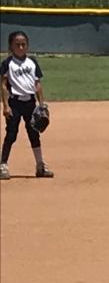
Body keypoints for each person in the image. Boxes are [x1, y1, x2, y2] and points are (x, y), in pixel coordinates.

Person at [1, 31, 53, 180]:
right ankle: (3, 165)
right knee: (11, 134)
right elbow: (3, 85)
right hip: (14, 103)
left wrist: (41, 104)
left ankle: (40, 166)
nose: (21, 47)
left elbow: (37, 84)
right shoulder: (7, 64)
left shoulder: (32, 62)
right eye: (17, 44)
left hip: (30, 102)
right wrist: (5, 106)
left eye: (24, 44)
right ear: (11, 47)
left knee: (34, 133)